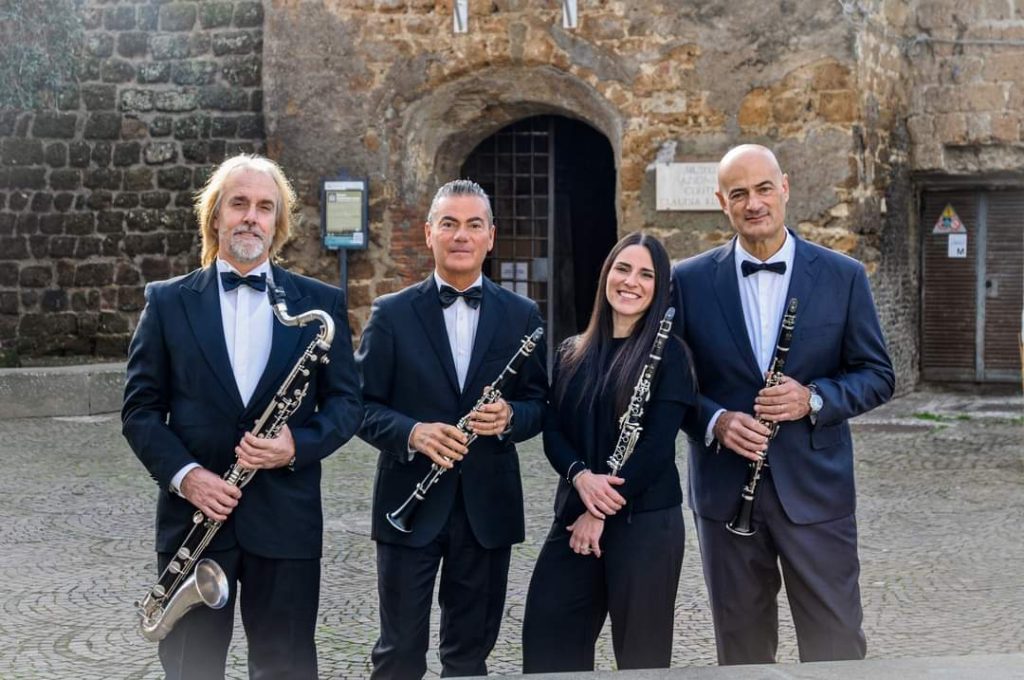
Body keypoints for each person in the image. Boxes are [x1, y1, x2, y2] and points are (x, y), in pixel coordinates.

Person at [122, 153, 363, 680]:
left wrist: (295, 445)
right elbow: (139, 411)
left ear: (279, 223)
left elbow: (348, 405)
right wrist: (188, 478)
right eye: (239, 204)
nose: (251, 217)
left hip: (287, 522)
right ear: (215, 216)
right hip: (196, 522)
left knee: (287, 667)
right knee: (192, 668)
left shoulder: (320, 304)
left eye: (264, 207)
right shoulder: (166, 302)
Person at [672, 144, 895, 665]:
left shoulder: (843, 276)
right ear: (721, 202)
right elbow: (669, 387)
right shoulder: (688, 280)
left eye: (764, 188)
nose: (754, 203)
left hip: (817, 493)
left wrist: (813, 398)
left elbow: (878, 376)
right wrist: (715, 421)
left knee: (836, 643)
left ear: (786, 188)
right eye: (739, 193)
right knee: (742, 649)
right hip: (726, 494)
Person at [355, 179, 548, 679]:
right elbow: (358, 404)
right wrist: (412, 432)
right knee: (398, 652)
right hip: (408, 504)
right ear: (428, 234)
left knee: (468, 657)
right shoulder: (391, 314)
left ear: (490, 237)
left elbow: (540, 404)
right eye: (449, 224)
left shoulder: (524, 316)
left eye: (473, 225)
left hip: (487, 509)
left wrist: (509, 418)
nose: (461, 235)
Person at [521, 232, 696, 673]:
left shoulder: (671, 356)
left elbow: (656, 448)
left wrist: (599, 511)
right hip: (574, 514)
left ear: (659, 288)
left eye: (646, 274)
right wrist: (581, 477)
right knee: (547, 639)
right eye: (622, 268)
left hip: (644, 524)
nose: (631, 281)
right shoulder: (570, 352)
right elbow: (554, 430)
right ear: (606, 276)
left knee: (641, 658)